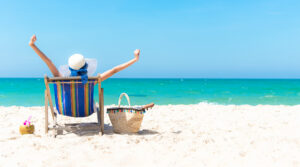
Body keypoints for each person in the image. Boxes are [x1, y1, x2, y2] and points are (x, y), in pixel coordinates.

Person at [28, 35, 140, 81]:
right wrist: (135, 59)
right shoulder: (91, 81)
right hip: (86, 110)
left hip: (66, 109)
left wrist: (33, 45)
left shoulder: (61, 79)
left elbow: (48, 62)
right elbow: (114, 70)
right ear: (86, 66)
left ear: (70, 68)